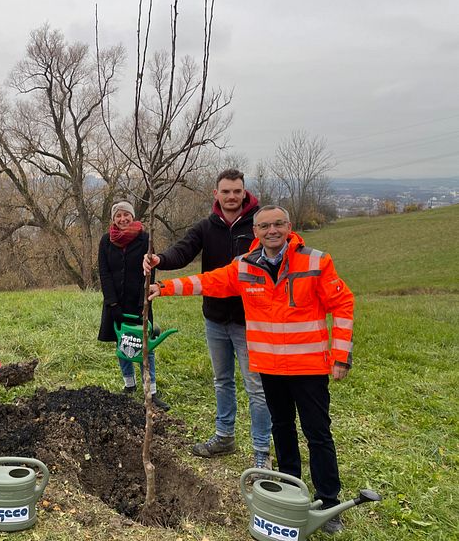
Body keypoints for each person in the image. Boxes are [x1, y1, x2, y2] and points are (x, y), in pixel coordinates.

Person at [149, 205, 354, 534]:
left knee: (317, 434)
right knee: (282, 429)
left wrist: (341, 355)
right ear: (255, 232)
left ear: (289, 226)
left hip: (309, 367)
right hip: (270, 367)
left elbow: (342, 304)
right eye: (264, 226)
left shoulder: (316, 261)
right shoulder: (244, 267)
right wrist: (166, 288)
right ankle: (290, 490)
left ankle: (328, 502)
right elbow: (208, 282)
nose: (271, 231)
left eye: (277, 224)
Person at [143, 168, 272, 468]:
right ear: (216, 194)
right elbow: (183, 250)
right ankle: (225, 436)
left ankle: (262, 453)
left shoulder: (257, 225)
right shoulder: (207, 227)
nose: (231, 197)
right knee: (222, 380)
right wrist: (160, 259)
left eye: (236, 191)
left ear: (244, 192)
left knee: (256, 387)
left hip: (249, 320)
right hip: (215, 318)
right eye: (225, 191)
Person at [98, 200, 170, 411]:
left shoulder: (145, 239)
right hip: (115, 303)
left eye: (126, 215)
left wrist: (143, 302)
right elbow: (104, 272)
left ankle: (151, 391)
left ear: (132, 216)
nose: (122, 219)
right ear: (113, 219)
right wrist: (112, 303)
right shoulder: (106, 241)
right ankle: (129, 385)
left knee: (146, 345)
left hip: (140, 302)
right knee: (123, 343)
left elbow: (149, 273)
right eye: (118, 216)